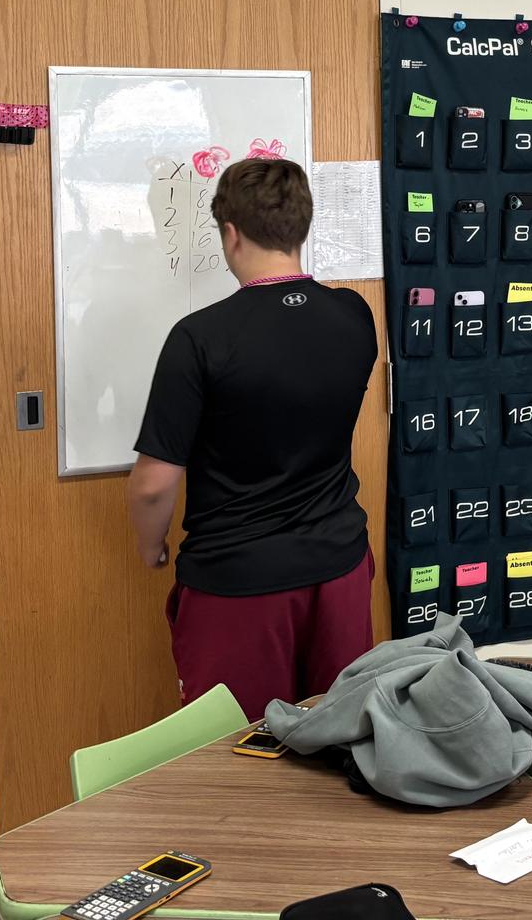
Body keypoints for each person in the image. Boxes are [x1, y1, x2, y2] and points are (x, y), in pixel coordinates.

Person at [130, 158, 378, 719]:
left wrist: (151, 546)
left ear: (231, 233)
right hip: (339, 567)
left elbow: (153, 485)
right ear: (301, 227)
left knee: (238, 752)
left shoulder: (199, 338)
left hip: (240, 581)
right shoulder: (354, 316)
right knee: (339, 738)